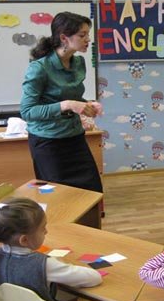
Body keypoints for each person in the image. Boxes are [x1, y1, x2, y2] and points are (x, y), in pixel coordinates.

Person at [20, 11, 103, 193]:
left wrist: (87, 104)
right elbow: (27, 111)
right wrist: (68, 105)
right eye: (82, 35)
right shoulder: (39, 68)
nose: (88, 39)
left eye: (87, 34)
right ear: (64, 38)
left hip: (74, 137)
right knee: (59, 197)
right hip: (48, 143)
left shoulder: (79, 63)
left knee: (92, 192)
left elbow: (72, 97)